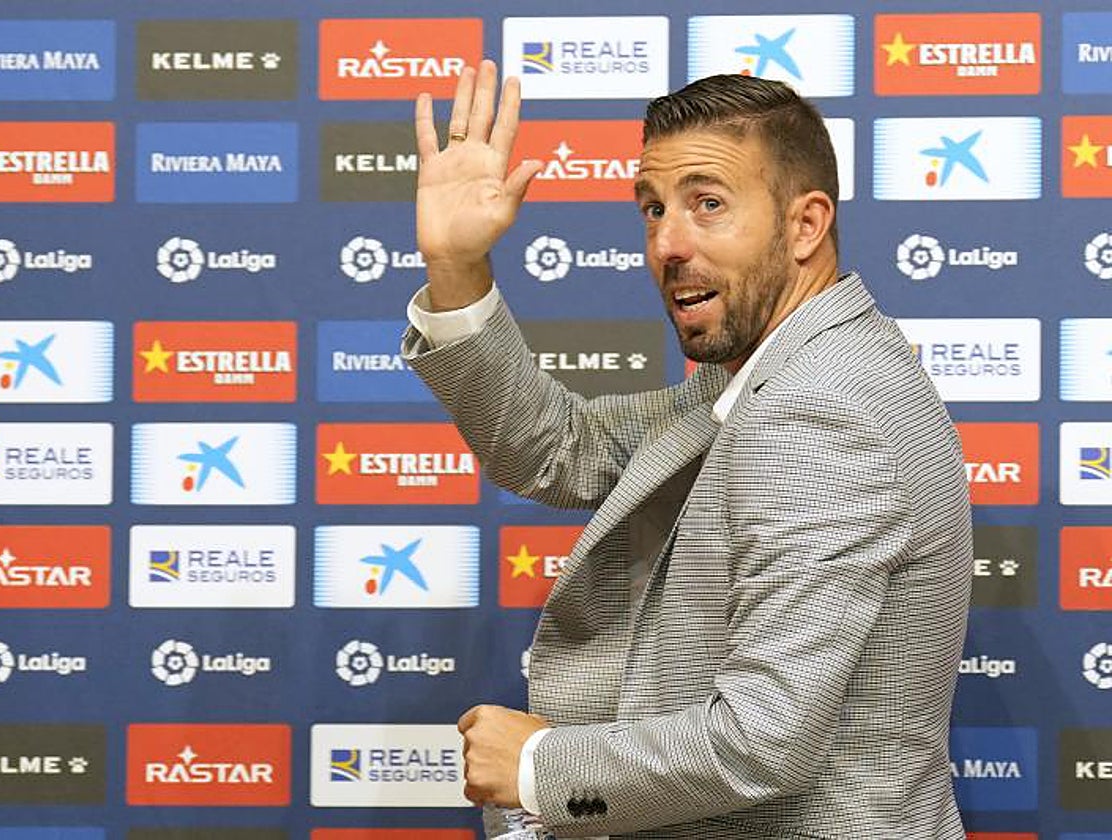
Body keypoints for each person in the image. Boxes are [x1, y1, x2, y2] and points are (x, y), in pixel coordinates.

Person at [402, 60, 972, 839]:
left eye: (708, 204)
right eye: (652, 208)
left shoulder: (818, 408)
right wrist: (457, 269)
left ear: (806, 225)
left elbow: (762, 738)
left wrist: (539, 764)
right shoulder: (781, 371)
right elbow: (557, 448)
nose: (668, 242)